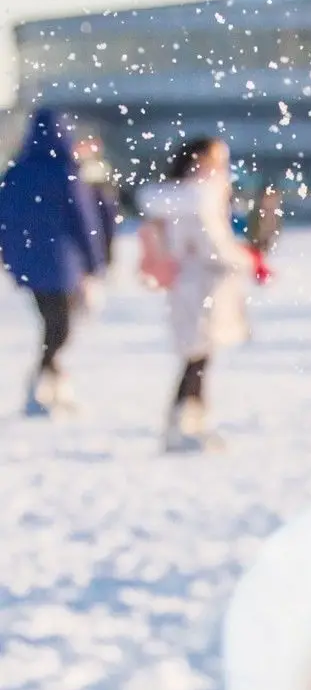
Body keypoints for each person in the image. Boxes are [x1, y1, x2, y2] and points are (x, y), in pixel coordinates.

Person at [138, 136, 256, 451]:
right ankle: (185, 424)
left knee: (195, 355)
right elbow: (213, 244)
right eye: (217, 158)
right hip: (205, 283)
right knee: (198, 356)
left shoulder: (173, 196)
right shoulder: (201, 196)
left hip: (187, 282)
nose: (222, 167)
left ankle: (188, 421)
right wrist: (245, 259)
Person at [0, 109, 110, 416]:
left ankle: (52, 384)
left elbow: (5, 219)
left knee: (52, 323)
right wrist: (96, 261)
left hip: (28, 260)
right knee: (60, 327)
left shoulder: (16, 172)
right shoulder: (65, 172)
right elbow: (84, 221)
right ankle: (43, 382)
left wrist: (9, 255)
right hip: (62, 262)